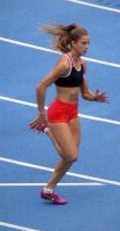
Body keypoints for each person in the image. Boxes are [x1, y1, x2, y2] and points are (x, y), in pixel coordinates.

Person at [29, 23, 110, 205]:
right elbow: (41, 86)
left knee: (70, 157)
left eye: (89, 43)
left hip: (73, 112)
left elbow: (85, 93)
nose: (87, 47)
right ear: (73, 43)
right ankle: (48, 130)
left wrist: (94, 97)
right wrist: (42, 114)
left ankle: (48, 190)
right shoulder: (65, 63)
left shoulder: (83, 64)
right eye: (84, 43)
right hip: (58, 113)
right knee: (71, 155)